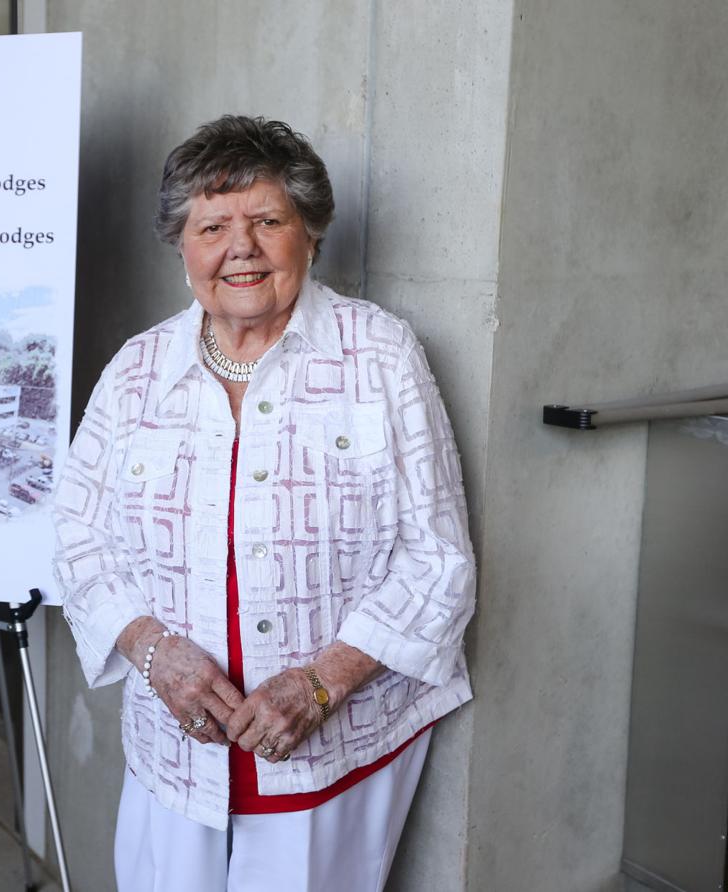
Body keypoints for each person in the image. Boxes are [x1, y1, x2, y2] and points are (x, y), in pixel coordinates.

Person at [52, 115, 476, 892]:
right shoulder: (138, 370)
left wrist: (321, 684)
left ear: (309, 236)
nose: (239, 247)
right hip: (174, 749)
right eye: (212, 225)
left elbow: (438, 556)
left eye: (268, 221)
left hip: (330, 752)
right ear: (183, 249)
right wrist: (153, 650)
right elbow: (77, 536)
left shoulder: (379, 354)